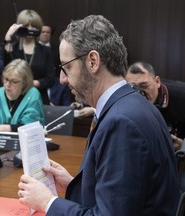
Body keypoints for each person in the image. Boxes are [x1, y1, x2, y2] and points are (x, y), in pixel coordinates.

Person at [17, 15, 179, 215]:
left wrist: (48, 203)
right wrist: (72, 187)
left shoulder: (121, 122)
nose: (62, 80)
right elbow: (124, 196)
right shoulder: (133, 105)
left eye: (67, 67)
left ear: (93, 61)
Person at [126, 61, 185, 150]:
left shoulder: (181, 95)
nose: (139, 93)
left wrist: (183, 146)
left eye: (144, 86)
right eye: (133, 87)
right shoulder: (124, 99)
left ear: (157, 82)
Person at [4, 9, 55, 105]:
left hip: (38, 99)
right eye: (26, 26)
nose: (30, 29)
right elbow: (5, 71)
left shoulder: (45, 51)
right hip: (14, 99)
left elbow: (51, 79)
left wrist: (31, 83)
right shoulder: (13, 48)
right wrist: (8, 37)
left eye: (34, 26)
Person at [0, 59, 44, 133]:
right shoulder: (0, 93)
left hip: (25, 143)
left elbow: (29, 127)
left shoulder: (33, 95)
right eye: (6, 79)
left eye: (14, 81)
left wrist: (6, 128)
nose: (7, 85)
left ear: (24, 83)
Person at [39, 24, 72, 106]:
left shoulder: (57, 50)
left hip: (53, 82)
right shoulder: (34, 50)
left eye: (48, 32)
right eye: (43, 32)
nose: (45, 34)